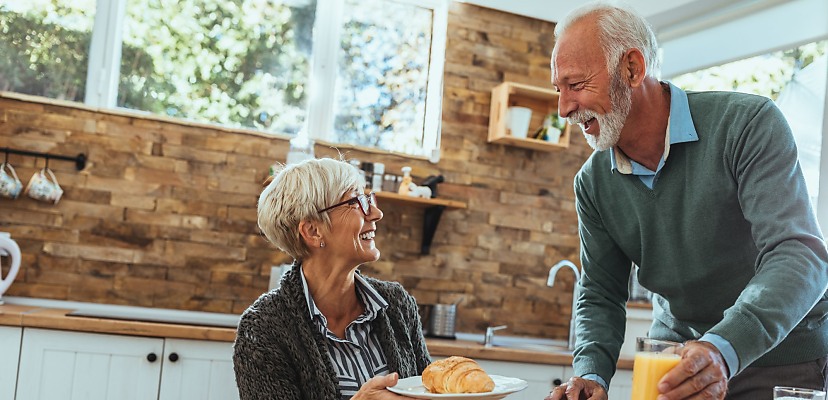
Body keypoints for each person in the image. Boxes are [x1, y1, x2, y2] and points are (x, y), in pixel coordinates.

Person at [545, 1, 828, 400]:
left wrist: (722, 349)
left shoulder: (746, 125)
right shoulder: (592, 183)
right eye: (559, 90)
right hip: (674, 362)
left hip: (781, 359)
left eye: (576, 85)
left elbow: (799, 253)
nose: (564, 108)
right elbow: (600, 292)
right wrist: (591, 374)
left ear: (632, 68)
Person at [233, 158, 430, 399]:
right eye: (357, 201)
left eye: (368, 199)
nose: (376, 213)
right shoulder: (263, 328)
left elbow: (428, 391)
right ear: (313, 231)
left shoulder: (397, 304)